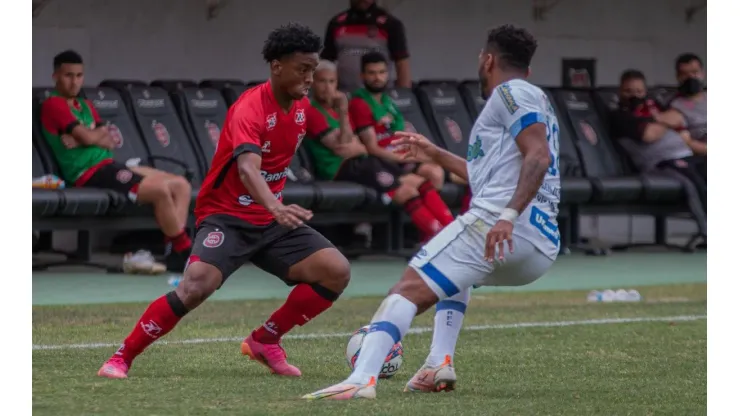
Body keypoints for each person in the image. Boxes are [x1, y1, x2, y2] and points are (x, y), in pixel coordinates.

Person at [303, 24, 561, 400]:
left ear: (487, 60)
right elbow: (487, 175)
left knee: (406, 289)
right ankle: (438, 362)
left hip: (503, 224)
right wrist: (435, 153)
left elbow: (538, 155)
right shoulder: (535, 96)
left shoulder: (509, 92)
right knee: (455, 276)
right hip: (540, 244)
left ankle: (361, 379)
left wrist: (506, 215)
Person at [97, 23, 351, 379]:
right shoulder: (249, 109)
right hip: (227, 217)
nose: (310, 77)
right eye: (303, 69)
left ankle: (265, 339)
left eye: (314, 69)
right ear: (277, 66)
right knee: (196, 285)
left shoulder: (300, 107)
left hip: (270, 220)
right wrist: (276, 206)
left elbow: (337, 145)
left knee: (336, 271)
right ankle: (121, 357)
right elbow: (248, 168)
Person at [40, 50, 191, 272]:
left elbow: (109, 140)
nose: (74, 82)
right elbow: (92, 136)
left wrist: (85, 138)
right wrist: (91, 137)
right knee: (160, 190)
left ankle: (173, 251)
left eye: (79, 75)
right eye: (68, 75)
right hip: (88, 173)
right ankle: (185, 250)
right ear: (55, 76)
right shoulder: (54, 104)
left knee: (181, 185)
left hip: (109, 166)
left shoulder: (85, 105)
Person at [305, 60, 450, 241]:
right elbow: (341, 146)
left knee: (419, 182)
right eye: (322, 81)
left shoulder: (336, 109)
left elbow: (355, 144)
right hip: (339, 169)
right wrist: (343, 112)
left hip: (362, 162)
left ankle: (451, 230)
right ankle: (442, 239)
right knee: (405, 191)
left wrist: (356, 145)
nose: (327, 87)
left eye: (332, 82)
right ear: (312, 82)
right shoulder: (311, 111)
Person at [609, 70, 706, 238]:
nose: (634, 95)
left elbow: (678, 118)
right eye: (628, 91)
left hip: (687, 154)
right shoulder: (619, 116)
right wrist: (663, 120)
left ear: (645, 92)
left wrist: (659, 119)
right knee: (694, 182)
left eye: (639, 91)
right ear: (620, 91)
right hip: (661, 162)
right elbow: (649, 134)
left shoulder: (654, 107)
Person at [322, 0, 411, 91]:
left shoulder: (391, 24)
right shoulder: (336, 23)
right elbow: (326, 63)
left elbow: (402, 62)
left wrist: (405, 95)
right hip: (344, 94)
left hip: (380, 95)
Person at [670, 53, 706, 143]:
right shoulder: (674, 106)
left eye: (695, 72)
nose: (691, 77)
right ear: (678, 77)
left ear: (702, 74)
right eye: (685, 74)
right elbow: (687, 141)